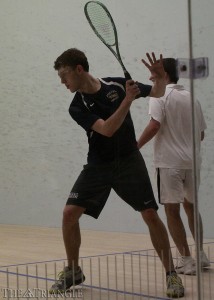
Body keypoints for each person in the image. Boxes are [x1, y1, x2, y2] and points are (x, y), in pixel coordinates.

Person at [50, 48, 184, 298]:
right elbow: (107, 129)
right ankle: (73, 271)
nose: (62, 82)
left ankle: (171, 275)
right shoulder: (76, 106)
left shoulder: (117, 84)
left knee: (150, 215)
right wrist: (127, 100)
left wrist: (160, 77)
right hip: (98, 165)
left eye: (64, 75)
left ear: (79, 69)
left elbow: (157, 92)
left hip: (128, 162)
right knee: (69, 214)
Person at [137, 58, 210, 275]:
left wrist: (135, 146)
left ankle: (187, 260)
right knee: (191, 207)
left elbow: (154, 125)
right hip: (192, 162)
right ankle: (201, 255)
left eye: (153, 72)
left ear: (164, 74)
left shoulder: (158, 95)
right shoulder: (192, 97)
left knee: (172, 211)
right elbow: (201, 134)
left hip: (169, 163)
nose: (150, 77)